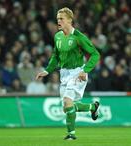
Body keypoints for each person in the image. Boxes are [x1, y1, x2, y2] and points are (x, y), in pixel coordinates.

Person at [36, 7, 100, 140]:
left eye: (61, 19)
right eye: (57, 19)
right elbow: (55, 56)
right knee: (67, 107)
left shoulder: (78, 37)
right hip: (64, 74)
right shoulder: (57, 36)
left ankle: (71, 135)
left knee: (67, 101)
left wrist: (85, 70)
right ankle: (93, 107)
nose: (58, 21)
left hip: (77, 73)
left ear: (70, 20)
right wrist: (47, 70)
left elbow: (95, 54)